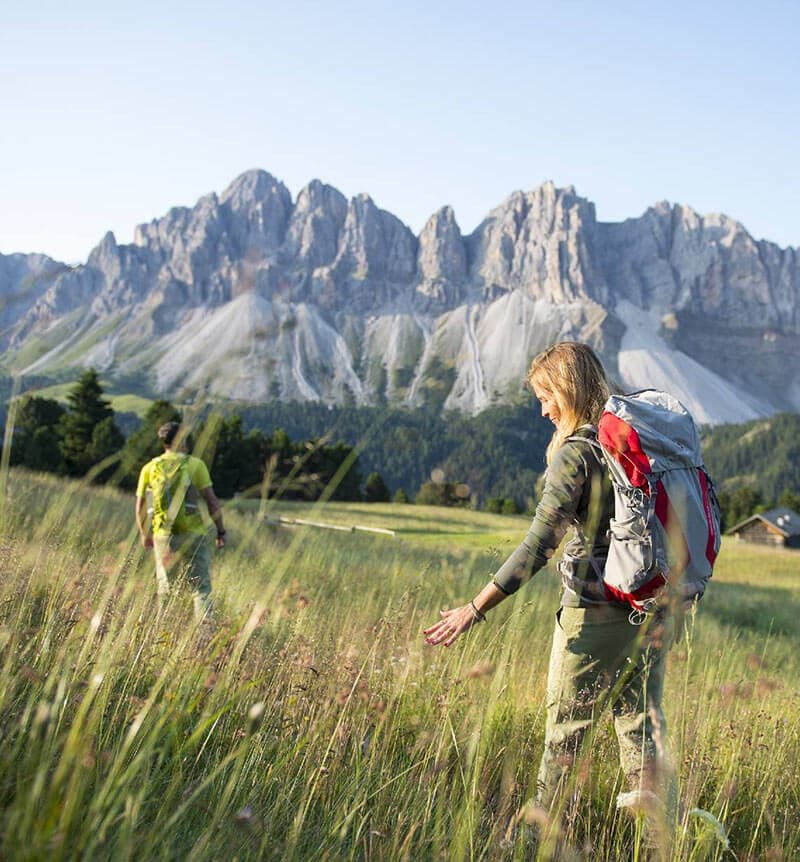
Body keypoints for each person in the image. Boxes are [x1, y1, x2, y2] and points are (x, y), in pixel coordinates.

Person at [424, 341, 676, 855]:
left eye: (547, 397)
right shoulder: (627, 443)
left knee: (564, 741)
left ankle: (535, 845)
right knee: (641, 740)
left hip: (591, 620)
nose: (542, 411)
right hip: (647, 613)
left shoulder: (577, 454)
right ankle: (659, 848)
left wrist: (473, 609)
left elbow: (539, 545)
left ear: (567, 389)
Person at [135, 421, 227, 618]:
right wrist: (220, 530)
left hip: (163, 535)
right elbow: (211, 501)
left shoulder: (149, 468)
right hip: (194, 533)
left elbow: (140, 507)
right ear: (182, 440)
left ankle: (162, 635)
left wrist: (145, 534)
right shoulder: (195, 465)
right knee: (200, 588)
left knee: (166, 589)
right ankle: (204, 634)